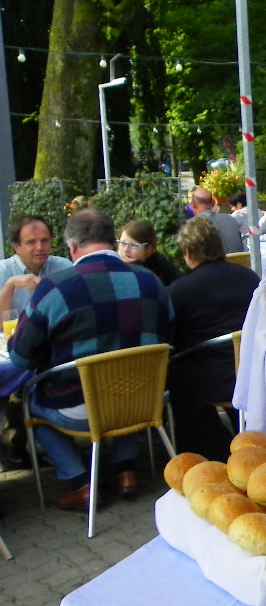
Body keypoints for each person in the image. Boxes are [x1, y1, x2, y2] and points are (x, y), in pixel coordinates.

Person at [7, 209, 173, 509]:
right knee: (124, 377)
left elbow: (20, 358)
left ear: (72, 246)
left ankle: (80, 482)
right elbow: (168, 333)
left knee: (32, 400)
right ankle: (126, 471)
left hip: (80, 407)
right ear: (112, 241)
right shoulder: (151, 282)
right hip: (145, 398)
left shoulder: (55, 287)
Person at [167, 216, 261, 461]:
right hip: (252, 373)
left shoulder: (180, 290)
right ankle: (243, 444)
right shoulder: (250, 278)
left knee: (177, 376)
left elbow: (168, 338)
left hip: (207, 381)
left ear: (188, 253)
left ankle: (213, 453)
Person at [1, 216, 72, 316]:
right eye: (31, 242)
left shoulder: (64, 268)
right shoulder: (3, 271)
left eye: (44, 240)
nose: (39, 247)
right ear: (17, 248)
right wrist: (10, 286)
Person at [116, 220, 180, 286]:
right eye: (122, 243)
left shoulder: (158, 263)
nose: (126, 249)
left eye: (133, 245)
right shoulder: (113, 265)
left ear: (147, 249)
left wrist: (135, 265)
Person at [189, 187, 244, 254]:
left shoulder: (192, 225)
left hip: (215, 260)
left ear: (193, 205)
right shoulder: (231, 220)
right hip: (238, 259)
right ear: (213, 203)